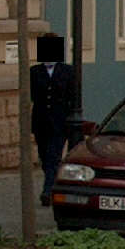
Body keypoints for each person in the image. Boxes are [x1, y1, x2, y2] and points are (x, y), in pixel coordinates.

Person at [31, 33, 74, 206]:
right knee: (44, 156)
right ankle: (53, 181)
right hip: (41, 122)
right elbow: (33, 95)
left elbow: (72, 96)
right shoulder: (34, 71)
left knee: (54, 156)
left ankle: (48, 191)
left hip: (59, 121)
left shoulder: (67, 71)